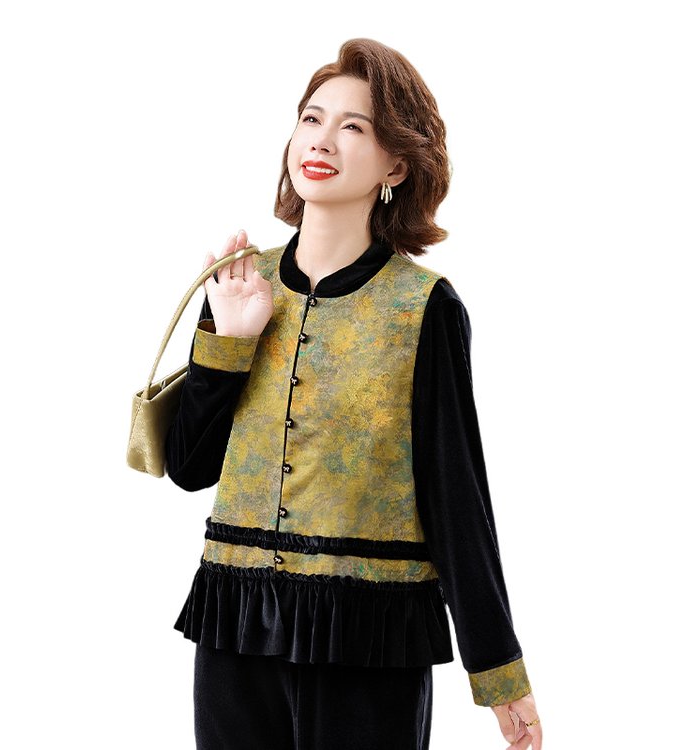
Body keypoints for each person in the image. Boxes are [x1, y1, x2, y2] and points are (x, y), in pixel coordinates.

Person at [165, 38, 542, 750]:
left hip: (370, 633)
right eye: (312, 119)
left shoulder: (422, 308)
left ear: (396, 164)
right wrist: (230, 344)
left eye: (354, 127)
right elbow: (189, 468)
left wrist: (498, 671)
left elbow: (456, 495)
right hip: (235, 623)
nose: (322, 141)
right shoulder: (240, 283)